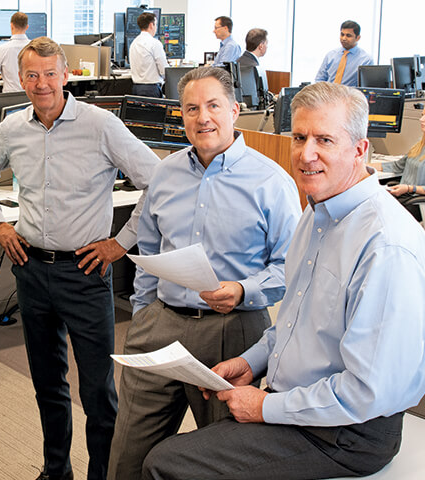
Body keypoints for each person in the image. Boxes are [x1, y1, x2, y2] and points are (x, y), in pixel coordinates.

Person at [142, 81, 425, 480]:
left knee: (166, 464)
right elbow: (295, 324)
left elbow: (367, 392)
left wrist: (265, 408)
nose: (306, 154)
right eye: (299, 137)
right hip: (301, 403)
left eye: (324, 140)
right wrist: (250, 361)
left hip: (345, 432)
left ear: (360, 150)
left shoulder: (384, 245)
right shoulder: (317, 213)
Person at [107, 66, 301, 480]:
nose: (203, 117)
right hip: (160, 325)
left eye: (213, 105)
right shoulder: (165, 173)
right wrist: (143, 315)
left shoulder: (271, 181)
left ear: (234, 110)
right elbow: (150, 250)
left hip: (232, 333)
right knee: (126, 458)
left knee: (219, 462)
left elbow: (294, 270)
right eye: (192, 108)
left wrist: (244, 289)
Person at [0, 36, 160, 480]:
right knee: (48, 385)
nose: (41, 83)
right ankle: (56, 469)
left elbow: (157, 181)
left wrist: (121, 243)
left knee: (97, 391)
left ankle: (103, 474)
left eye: (49, 74)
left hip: (85, 272)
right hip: (30, 270)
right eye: (32, 75)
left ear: (66, 75)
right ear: (20, 78)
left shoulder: (100, 125)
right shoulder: (13, 128)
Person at [374, 109, 425, 221]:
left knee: (380, 217)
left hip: (417, 201)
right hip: (404, 195)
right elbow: (397, 166)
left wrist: (409, 188)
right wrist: (363, 166)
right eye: (422, 115)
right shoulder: (420, 144)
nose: (421, 119)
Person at [314, 20, 373, 87]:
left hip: (350, 93)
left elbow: (365, 87)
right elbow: (319, 79)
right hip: (328, 92)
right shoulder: (330, 55)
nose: (344, 38)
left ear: (357, 38)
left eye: (348, 35)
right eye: (342, 34)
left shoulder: (366, 60)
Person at [0, 12, 30, 93]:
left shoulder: (1, 49)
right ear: (27, 27)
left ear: (11, 26)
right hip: (31, 97)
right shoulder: (34, 47)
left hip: (10, 97)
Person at [128, 11, 168, 98]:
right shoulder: (154, 43)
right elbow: (164, 70)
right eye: (155, 24)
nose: (156, 28)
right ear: (151, 25)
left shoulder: (134, 43)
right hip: (151, 89)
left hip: (136, 88)